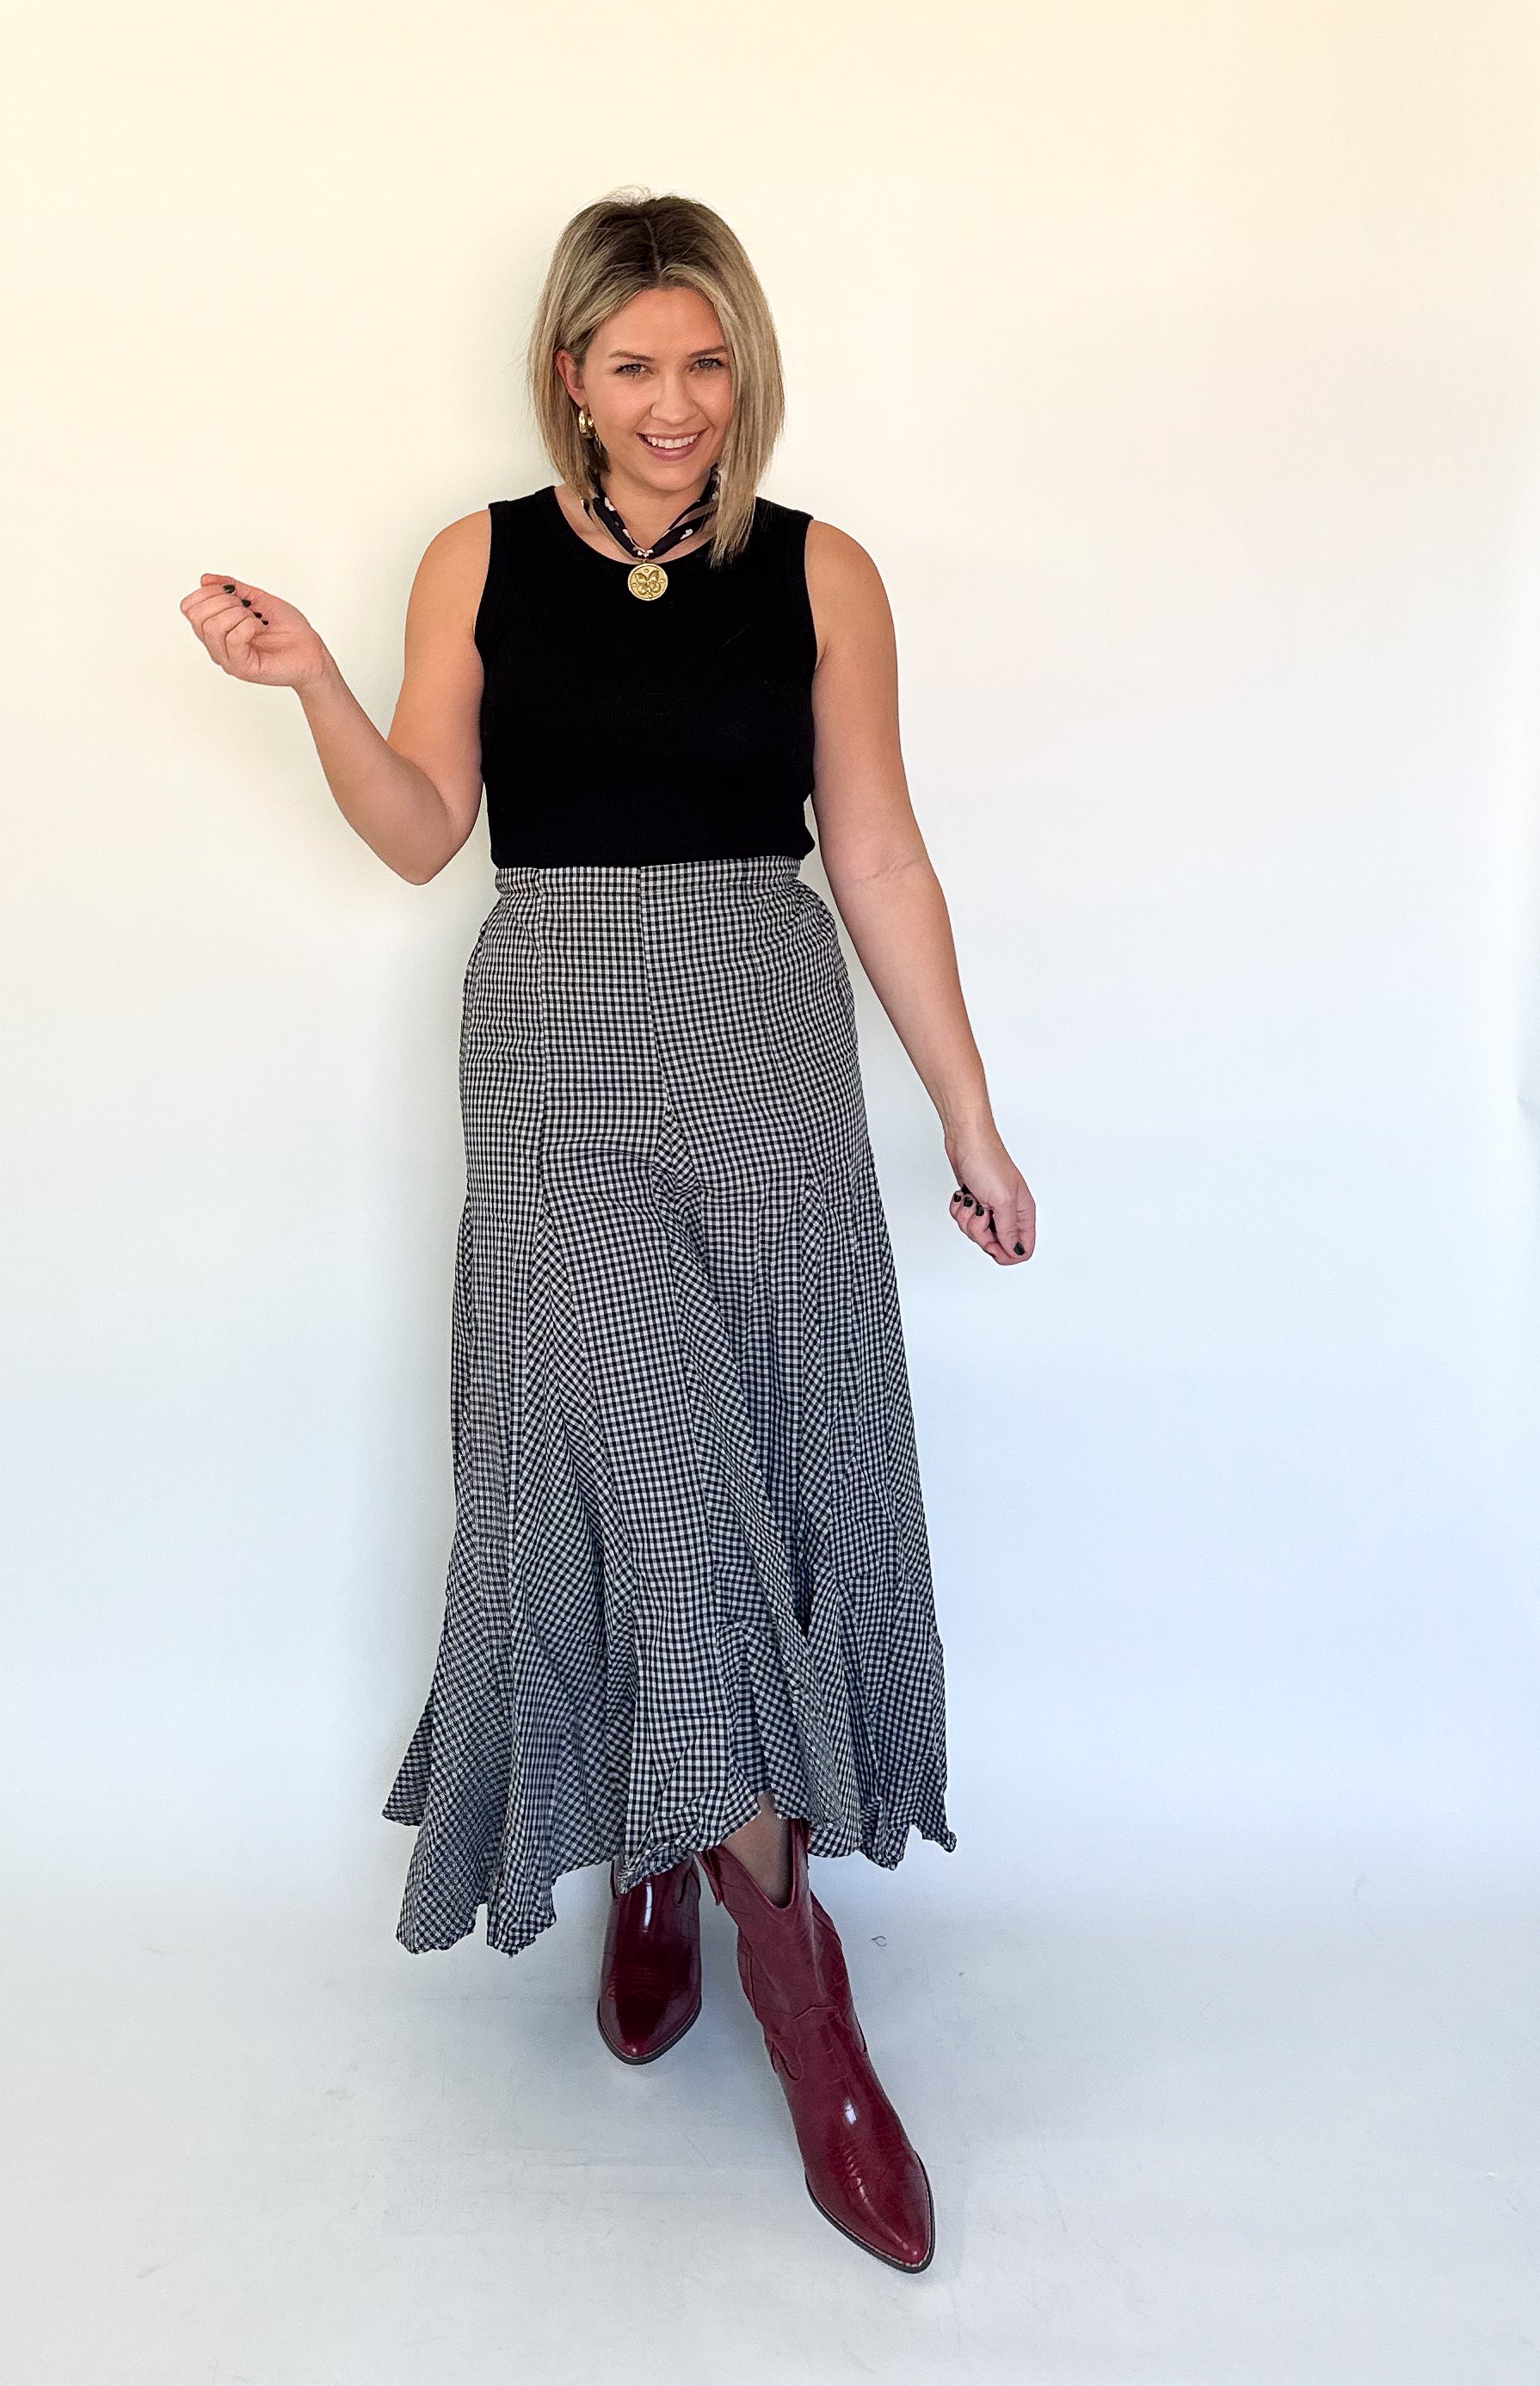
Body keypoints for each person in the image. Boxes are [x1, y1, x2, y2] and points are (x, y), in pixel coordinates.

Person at [178, 189, 1035, 2275]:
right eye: (634, 363)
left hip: (761, 1036)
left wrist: (965, 1106)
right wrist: (313, 686)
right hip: (553, 1040)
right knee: (647, 1470)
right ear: (566, 371)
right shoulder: (474, 556)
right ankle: (800, 1982)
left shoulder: (821, 571)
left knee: (759, 1454)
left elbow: (878, 852)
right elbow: (421, 832)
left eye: (706, 361)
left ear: (745, 368)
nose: (674, 402)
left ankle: (668, 1851)